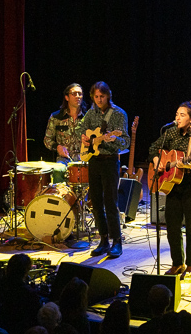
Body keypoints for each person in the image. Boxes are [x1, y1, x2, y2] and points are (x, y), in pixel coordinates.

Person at [148, 100, 191, 278]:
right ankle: (177, 263)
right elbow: (153, 147)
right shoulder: (169, 132)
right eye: (176, 114)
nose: (177, 118)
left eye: (182, 115)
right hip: (173, 187)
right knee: (172, 227)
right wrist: (157, 161)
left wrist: (188, 166)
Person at [75, 81, 130, 258]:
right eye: (96, 97)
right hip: (94, 160)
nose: (99, 100)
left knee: (110, 202)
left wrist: (113, 139)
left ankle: (117, 241)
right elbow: (82, 130)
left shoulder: (119, 114)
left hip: (109, 161)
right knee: (96, 202)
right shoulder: (90, 113)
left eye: (102, 96)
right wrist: (84, 138)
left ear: (108, 96)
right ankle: (103, 239)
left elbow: (126, 141)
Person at [43, 83, 85, 164]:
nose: (77, 96)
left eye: (80, 94)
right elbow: (47, 140)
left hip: (83, 158)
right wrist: (58, 147)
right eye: (74, 94)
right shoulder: (56, 117)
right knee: (58, 170)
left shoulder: (87, 117)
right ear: (67, 97)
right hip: (64, 158)